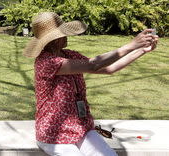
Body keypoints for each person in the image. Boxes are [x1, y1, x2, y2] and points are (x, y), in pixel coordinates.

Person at [23, 12, 158, 156]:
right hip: (54, 133)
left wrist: (141, 50)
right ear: (54, 39)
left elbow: (108, 68)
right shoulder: (46, 62)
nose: (66, 36)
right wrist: (131, 45)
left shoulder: (70, 55)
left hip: (81, 129)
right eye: (63, 33)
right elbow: (93, 64)